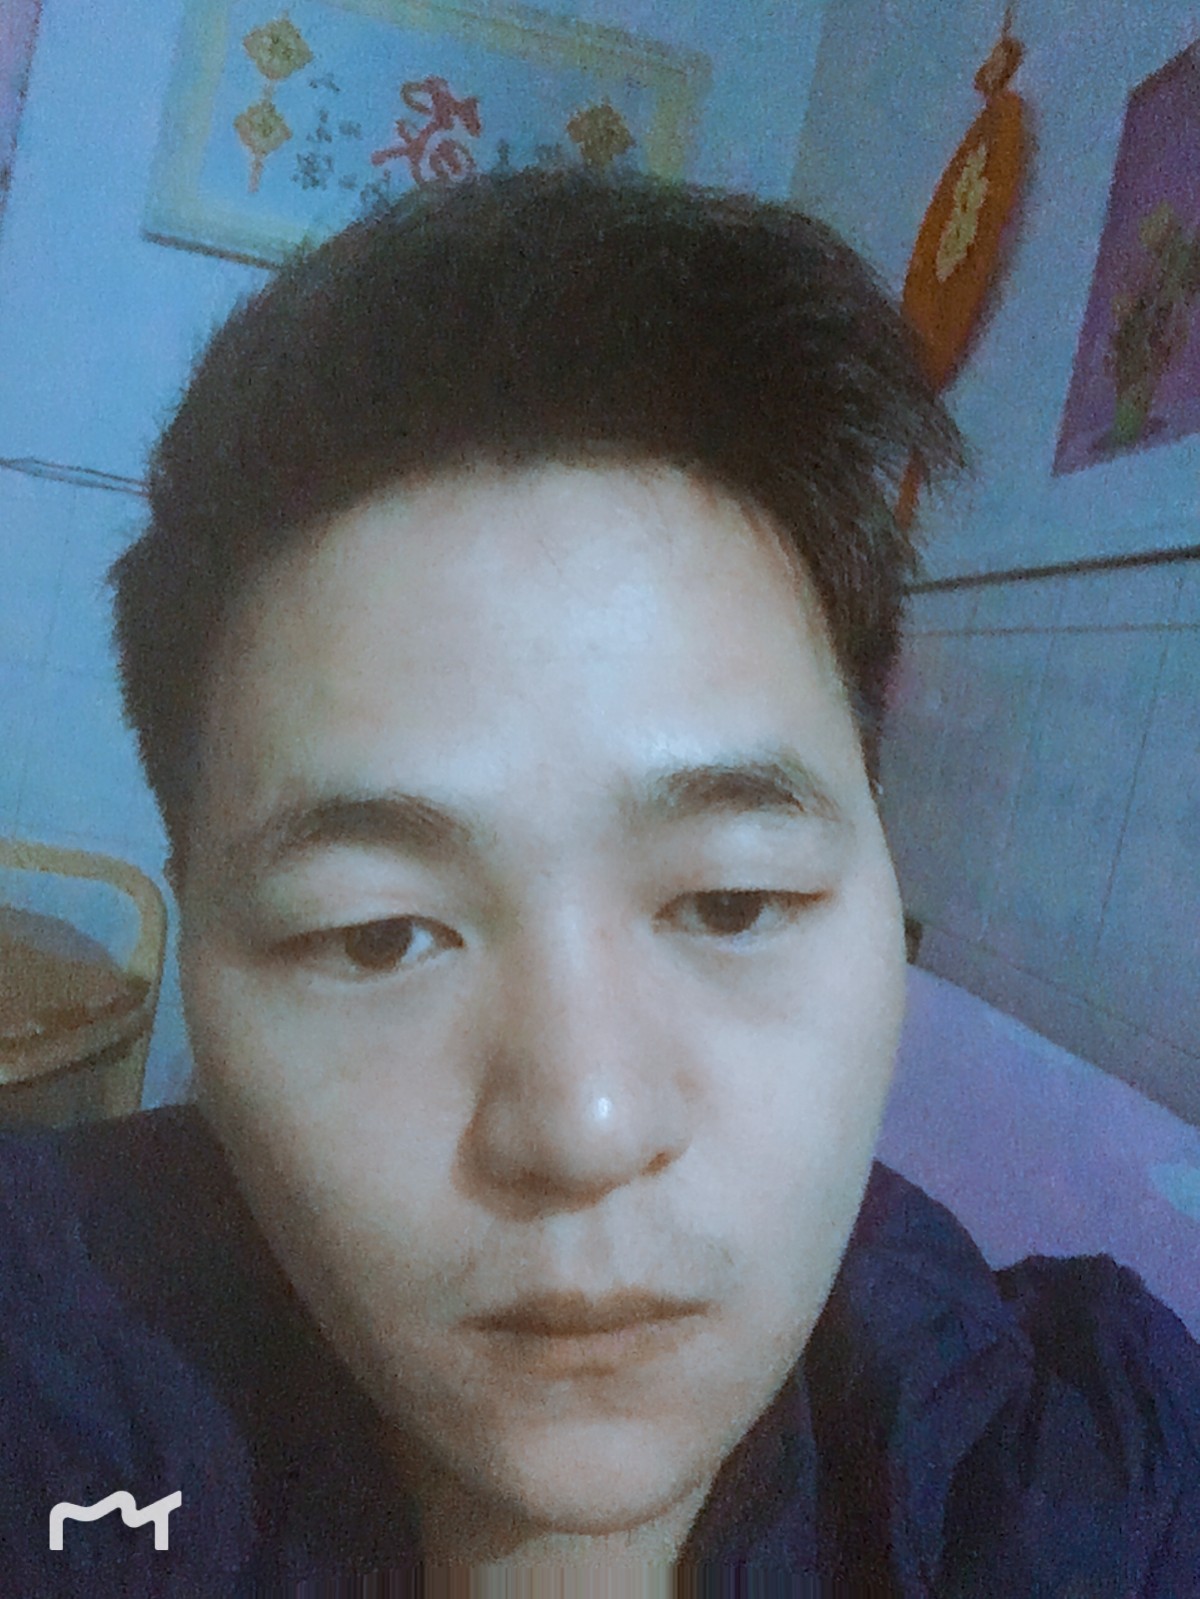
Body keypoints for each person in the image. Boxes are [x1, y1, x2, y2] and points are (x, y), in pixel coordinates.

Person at [3, 168, 1197, 1598]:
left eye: (732, 905)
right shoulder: (52, 1376)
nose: (585, 1125)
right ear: (197, 940)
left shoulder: (1090, 1485)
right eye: (378, 936)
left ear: (889, 888)